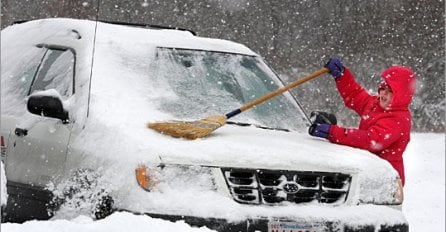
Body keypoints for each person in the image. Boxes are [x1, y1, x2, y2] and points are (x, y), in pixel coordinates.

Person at [308, 58, 416, 186]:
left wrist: (333, 132)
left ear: (402, 95)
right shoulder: (376, 105)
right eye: (383, 88)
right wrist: (342, 75)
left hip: (384, 179)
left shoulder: (398, 119)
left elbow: (370, 140)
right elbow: (355, 96)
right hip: (368, 169)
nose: (383, 93)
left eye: (390, 91)